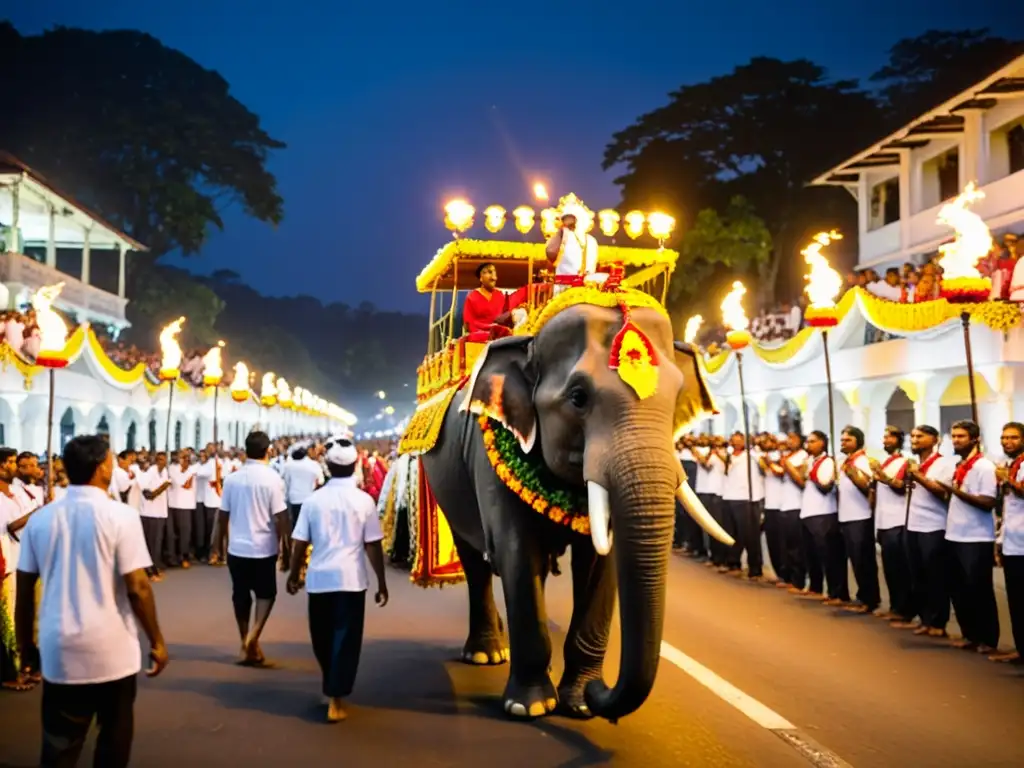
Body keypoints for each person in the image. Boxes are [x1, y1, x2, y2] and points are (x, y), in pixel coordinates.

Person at [15, 435, 168, 768]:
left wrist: (27, 647)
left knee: (60, 745)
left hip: (60, 649)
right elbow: (138, 587)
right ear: (102, 467)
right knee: (113, 739)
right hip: (112, 651)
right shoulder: (120, 516)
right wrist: (156, 640)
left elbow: (25, 591)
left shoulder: (41, 519)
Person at [287, 436, 389, 722]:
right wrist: (381, 582)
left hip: (320, 580)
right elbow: (373, 545)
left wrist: (294, 575)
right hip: (351, 580)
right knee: (345, 640)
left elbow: (299, 543)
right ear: (356, 464)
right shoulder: (364, 501)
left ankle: (331, 687)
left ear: (327, 465)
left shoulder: (313, 501)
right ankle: (336, 695)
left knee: (321, 636)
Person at [216, 431, 290, 666]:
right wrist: (286, 547)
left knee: (240, 595)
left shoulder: (232, 479)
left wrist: (218, 545)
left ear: (245, 450)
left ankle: (245, 640)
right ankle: (253, 636)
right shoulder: (272, 479)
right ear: (268, 450)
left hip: (237, 547)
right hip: (263, 547)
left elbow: (222, 516)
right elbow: (281, 517)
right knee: (266, 594)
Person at [940, 420, 1000, 653]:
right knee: (959, 588)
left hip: (976, 537)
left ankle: (988, 638)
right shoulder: (961, 465)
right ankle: (970, 634)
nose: (956, 440)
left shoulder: (984, 467)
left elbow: (987, 502)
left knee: (979, 589)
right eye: (953, 436)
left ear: (975, 439)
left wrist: (955, 491)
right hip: (955, 533)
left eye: (961, 436)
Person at [900, 424, 954, 637]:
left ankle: (939, 622)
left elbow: (942, 492)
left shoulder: (943, 464)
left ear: (935, 440)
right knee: (918, 575)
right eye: (912, 436)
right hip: (913, 524)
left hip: (934, 525)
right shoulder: (916, 463)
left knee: (935, 576)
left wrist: (918, 475)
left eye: (920, 436)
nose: (914, 439)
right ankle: (925, 618)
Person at [791, 431, 847, 602]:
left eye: (813, 441)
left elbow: (825, 487)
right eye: (807, 441)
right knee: (811, 553)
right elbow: (801, 481)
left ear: (822, 443)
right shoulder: (809, 461)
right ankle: (815, 587)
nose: (808, 444)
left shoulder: (828, 462)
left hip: (823, 513)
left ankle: (836, 592)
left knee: (829, 556)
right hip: (808, 511)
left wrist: (811, 472)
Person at [872, 426, 915, 623]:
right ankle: (895, 606)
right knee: (889, 568)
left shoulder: (905, 461)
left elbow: (900, 486)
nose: (885, 440)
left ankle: (905, 609)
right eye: (884, 436)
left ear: (899, 440)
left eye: (889, 437)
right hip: (883, 519)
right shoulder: (886, 462)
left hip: (897, 520)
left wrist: (882, 475)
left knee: (899, 568)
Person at [837, 427, 880, 614]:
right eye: (842, 440)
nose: (843, 443)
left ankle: (869, 599)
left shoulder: (863, 461)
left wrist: (853, 474)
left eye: (848, 440)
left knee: (864, 559)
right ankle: (862, 595)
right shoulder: (846, 461)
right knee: (855, 559)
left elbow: (869, 488)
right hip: (846, 515)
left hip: (861, 516)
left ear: (858, 441)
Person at [994, 421, 1024, 663]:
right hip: (1012, 541)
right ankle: (1020, 649)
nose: (1007, 442)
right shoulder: (1012, 466)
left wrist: (1008, 480)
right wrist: (1000, 540)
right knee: (1015, 600)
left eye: (1013, 437)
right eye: (1004, 438)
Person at [139, 452, 171, 582]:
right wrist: (162, 488)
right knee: (151, 544)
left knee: (157, 544)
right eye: (158, 459)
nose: (160, 462)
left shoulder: (165, 472)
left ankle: (155, 568)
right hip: (149, 514)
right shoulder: (150, 473)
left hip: (160, 513)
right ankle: (149, 572)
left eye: (162, 459)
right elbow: (147, 494)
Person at [545, 210, 599, 286]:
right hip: (562, 283)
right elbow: (550, 253)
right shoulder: (560, 236)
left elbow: (591, 264)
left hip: (582, 283)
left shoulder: (591, 240)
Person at [284, 443, 325, 531]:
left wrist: (286, 498)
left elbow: (286, 483)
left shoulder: (288, 466)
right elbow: (321, 481)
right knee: (310, 527)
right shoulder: (314, 464)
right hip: (310, 498)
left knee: (297, 527)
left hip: (294, 500)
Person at [167, 451, 197, 568]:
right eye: (183, 457)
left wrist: (189, 469)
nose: (185, 460)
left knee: (186, 533)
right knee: (173, 533)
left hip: (187, 505)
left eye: (187, 457)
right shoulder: (172, 468)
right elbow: (180, 481)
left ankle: (184, 556)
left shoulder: (194, 468)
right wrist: (187, 470)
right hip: (175, 504)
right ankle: (172, 557)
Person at [462, 262, 508, 335]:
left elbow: (505, 318)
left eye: (494, 272)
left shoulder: (500, 295)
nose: (493, 276)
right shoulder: (472, 296)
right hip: (478, 335)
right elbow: (468, 324)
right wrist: (489, 328)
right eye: (489, 272)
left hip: (499, 335)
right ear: (481, 277)